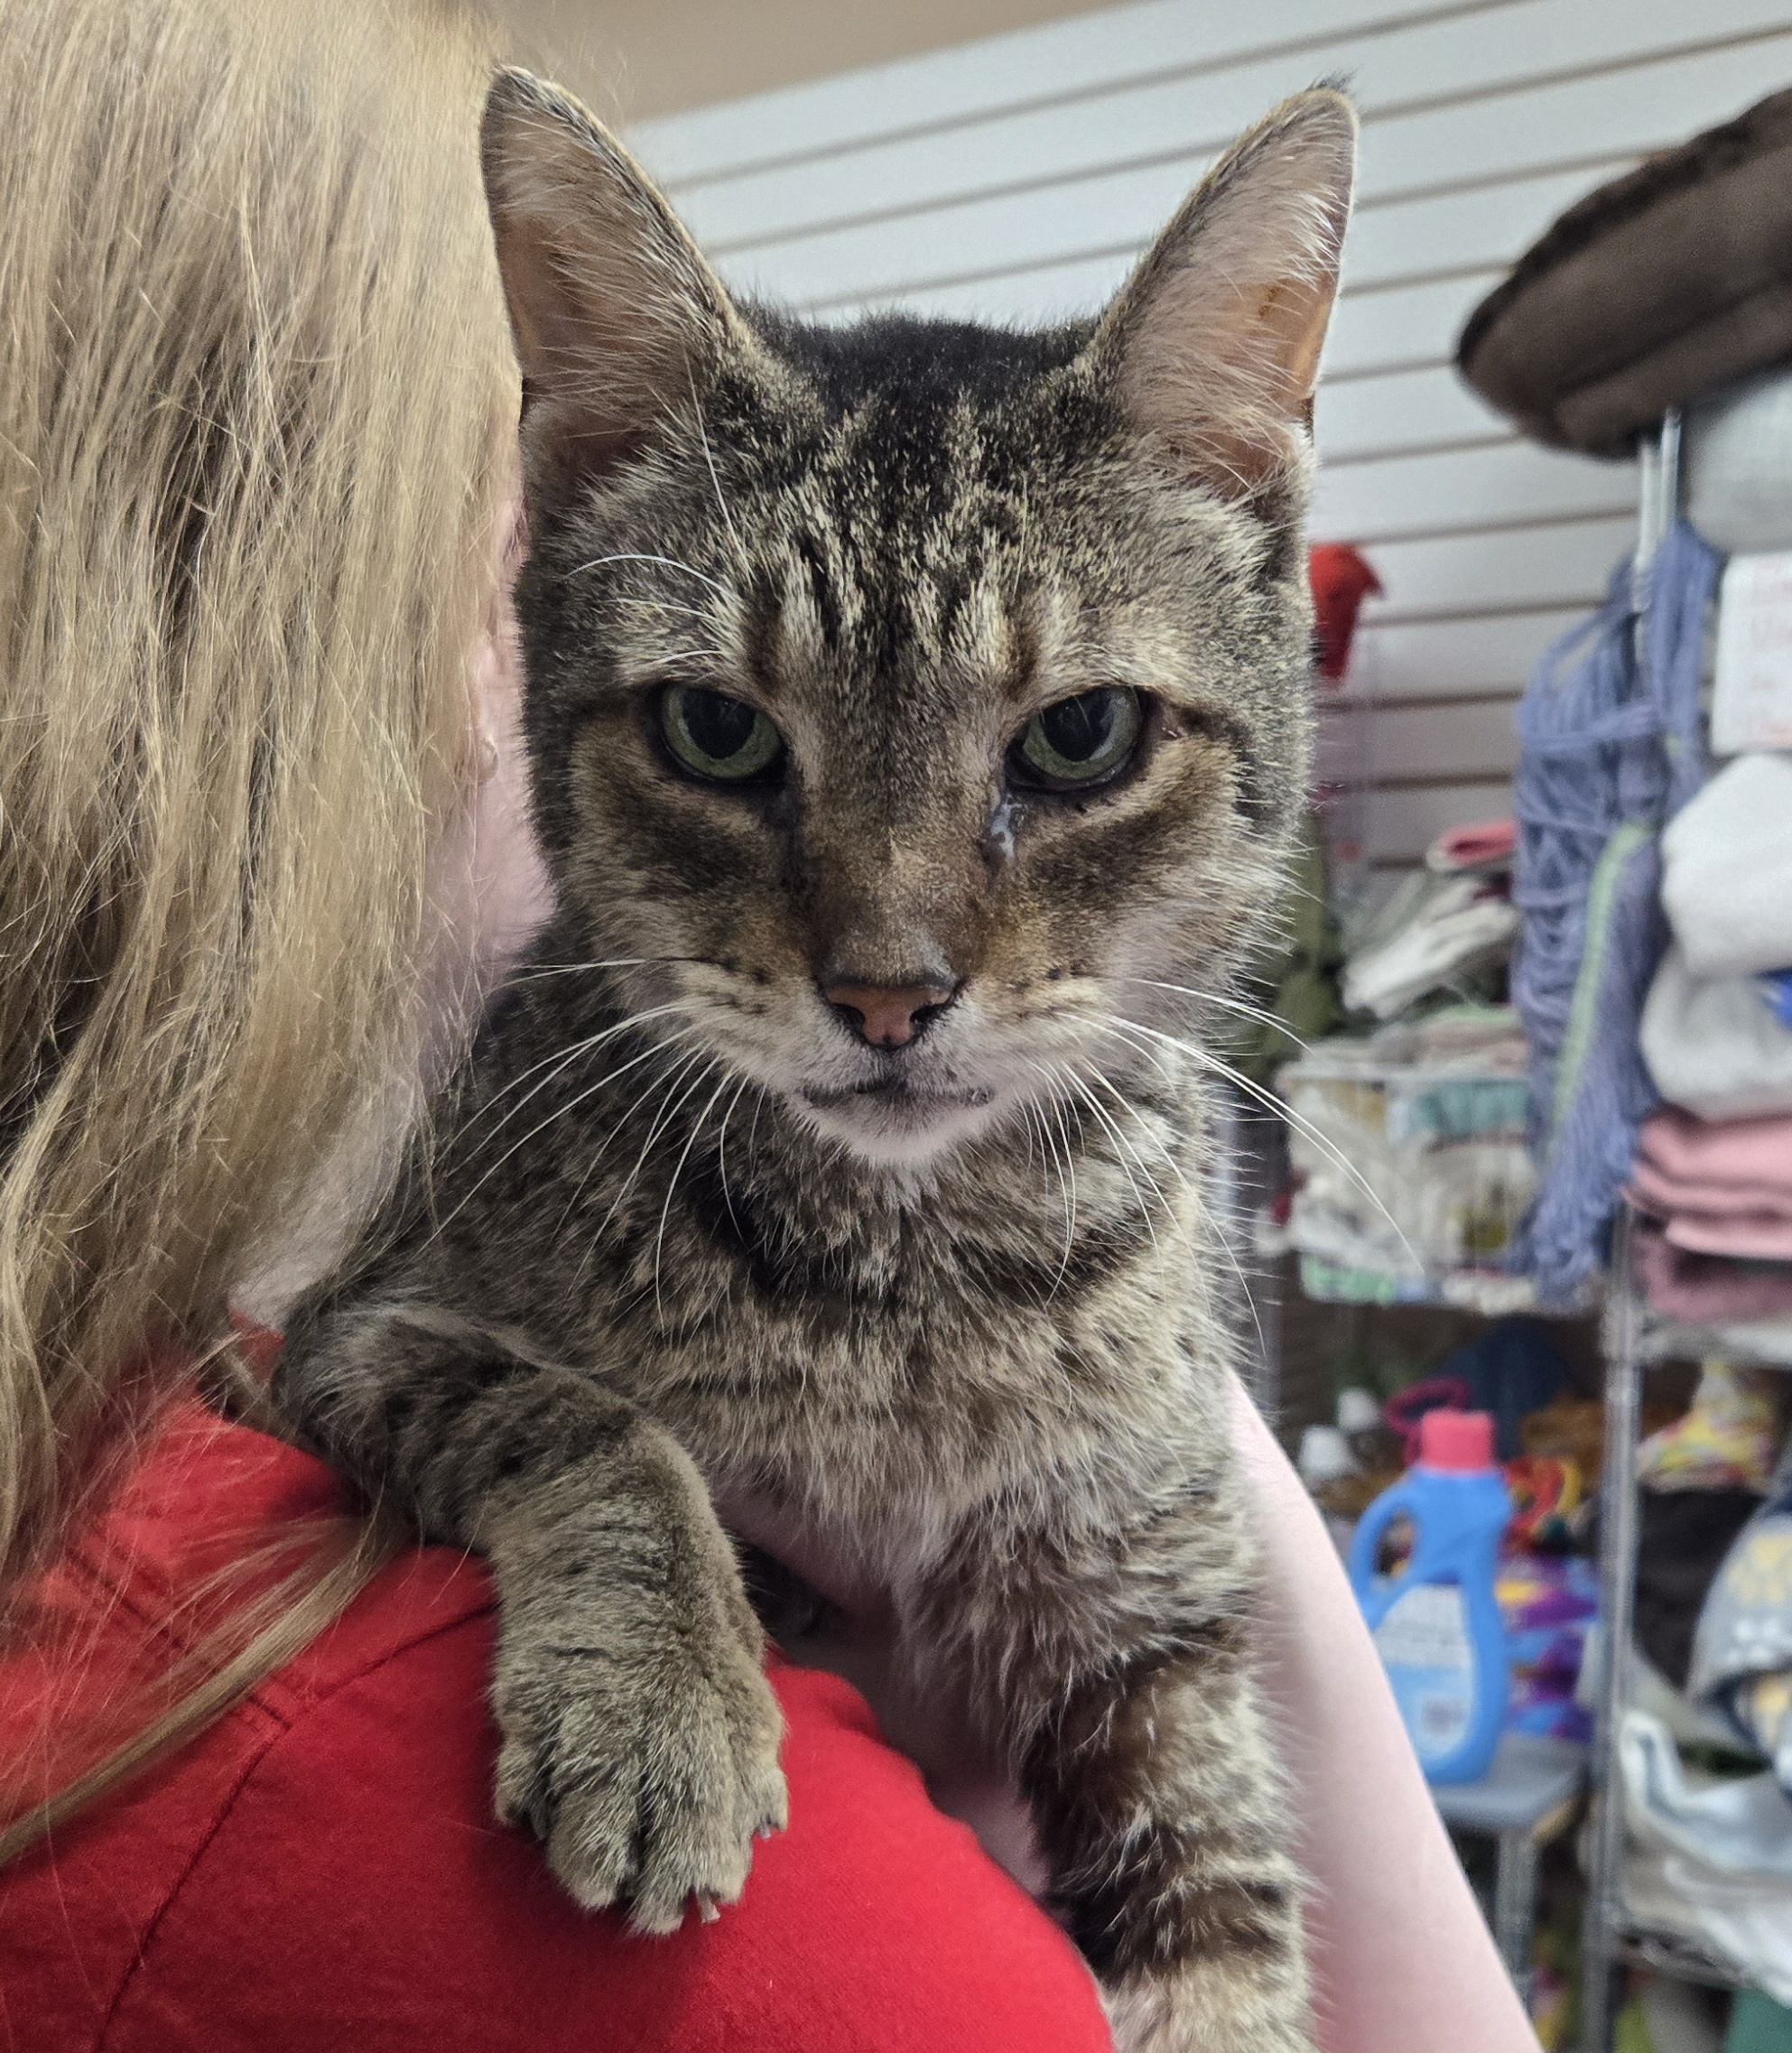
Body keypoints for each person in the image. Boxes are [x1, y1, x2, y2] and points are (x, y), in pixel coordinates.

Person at [0, 2, 1540, 2048]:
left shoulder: (1150, 1171)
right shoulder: (554, 1113)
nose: (888, 961)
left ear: (1251, 520)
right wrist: (601, 1499)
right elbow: (363, 1354)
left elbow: (1195, 1843)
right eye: (725, 737)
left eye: (1077, 740)